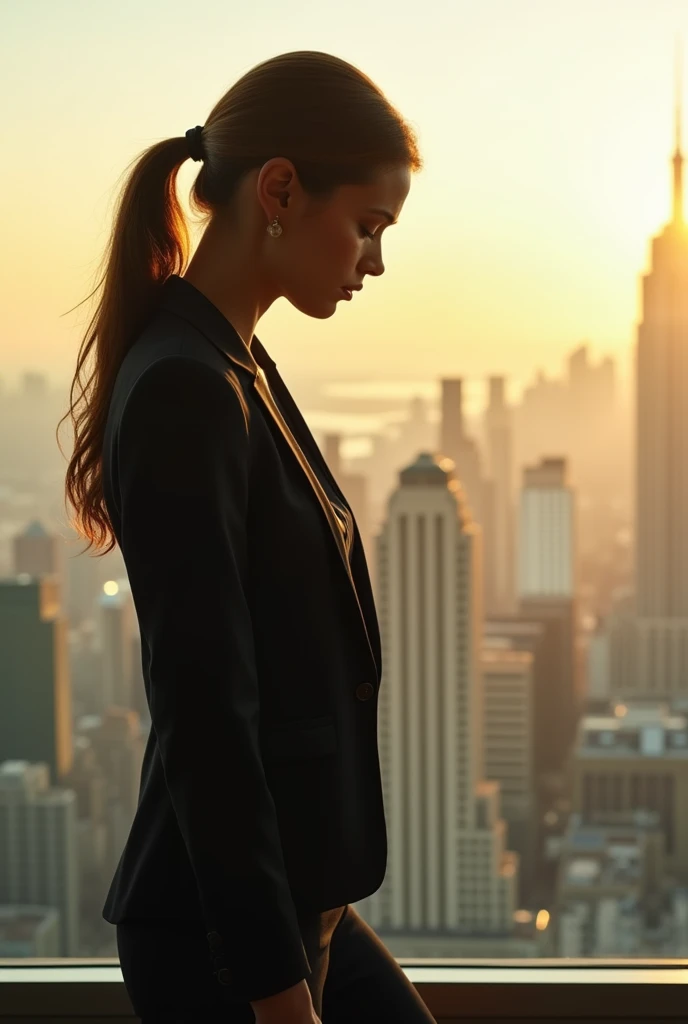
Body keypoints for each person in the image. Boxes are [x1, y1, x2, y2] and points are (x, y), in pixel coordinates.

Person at [60, 50, 434, 1023]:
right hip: (227, 944)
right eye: (367, 226)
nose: (375, 261)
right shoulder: (192, 384)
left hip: (298, 904)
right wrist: (277, 994)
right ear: (278, 189)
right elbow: (206, 711)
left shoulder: (235, 361)